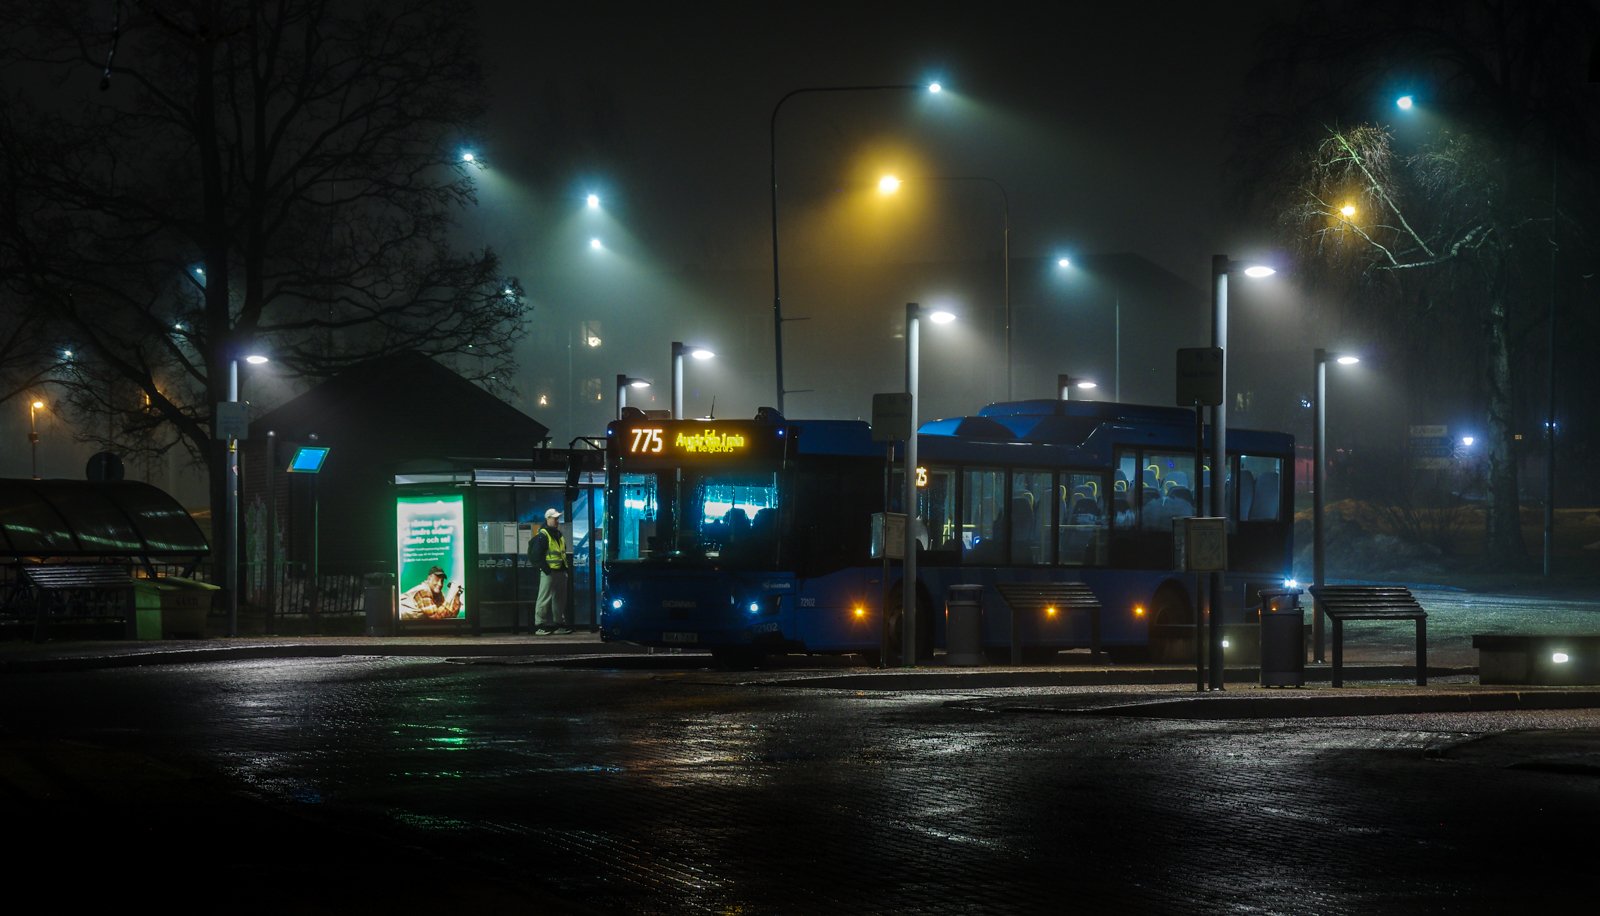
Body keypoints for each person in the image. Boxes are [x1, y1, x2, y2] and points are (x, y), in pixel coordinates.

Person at [531, 507, 571, 635]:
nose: (557, 520)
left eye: (558, 518)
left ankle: (558, 624)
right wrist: (546, 569)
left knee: (559, 599)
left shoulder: (557, 534)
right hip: (550, 572)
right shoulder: (544, 535)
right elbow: (536, 555)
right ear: (548, 519)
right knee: (544, 599)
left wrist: (564, 569)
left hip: (559, 571)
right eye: (555, 518)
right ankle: (539, 625)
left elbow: (562, 553)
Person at [398, 565, 463, 620]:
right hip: (398, 624)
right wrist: (451, 594)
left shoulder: (437, 594)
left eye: (442, 581)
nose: (440, 584)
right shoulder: (423, 591)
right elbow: (436, 617)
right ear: (429, 579)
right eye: (437, 580)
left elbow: (449, 615)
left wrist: (456, 596)